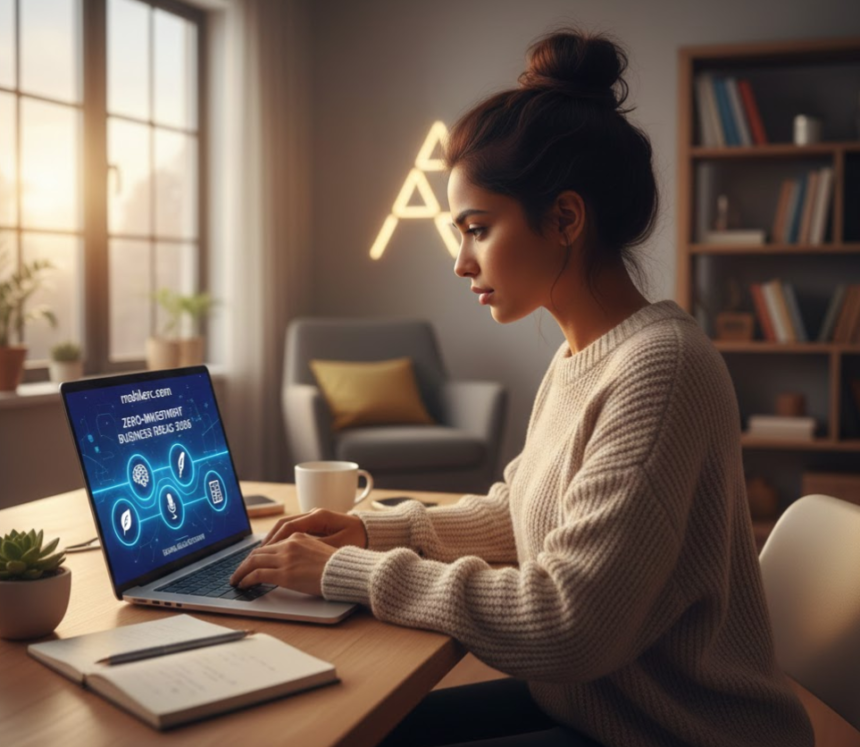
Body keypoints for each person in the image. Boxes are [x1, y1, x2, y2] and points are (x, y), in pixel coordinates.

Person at [231, 28, 815, 747]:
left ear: (565, 218)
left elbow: (566, 622)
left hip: (680, 731)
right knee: (345, 727)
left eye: (477, 229)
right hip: (599, 705)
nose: (461, 262)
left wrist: (349, 571)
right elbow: (520, 516)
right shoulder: (582, 356)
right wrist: (372, 529)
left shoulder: (661, 369)